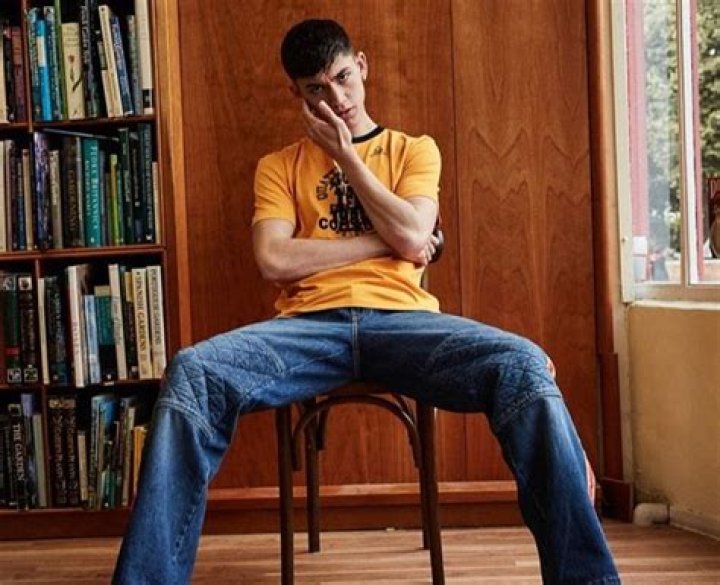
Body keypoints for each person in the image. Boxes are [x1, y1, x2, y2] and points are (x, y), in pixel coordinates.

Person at [112, 19, 620, 585]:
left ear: (362, 65)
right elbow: (275, 259)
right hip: (306, 329)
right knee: (191, 371)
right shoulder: (278, 166)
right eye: (316, 89)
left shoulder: (414, 151)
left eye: (342, 78)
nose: (336, 99)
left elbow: (412, 233)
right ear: (296, 93)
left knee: (523, 362)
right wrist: (391, 241)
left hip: (406, 324)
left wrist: (348, 159)